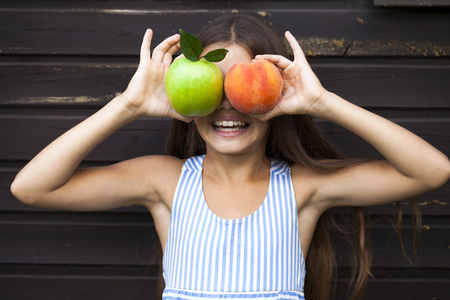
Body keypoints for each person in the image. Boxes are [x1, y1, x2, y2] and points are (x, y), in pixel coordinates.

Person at [10, 13, 449, 300]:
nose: (228, 106)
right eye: (212, 88)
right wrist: (128, 104)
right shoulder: (165, 182)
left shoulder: (301, 189)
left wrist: (324, 103)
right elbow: (31, 187)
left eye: (243, 88)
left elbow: (432, 171)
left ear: (275, 95)